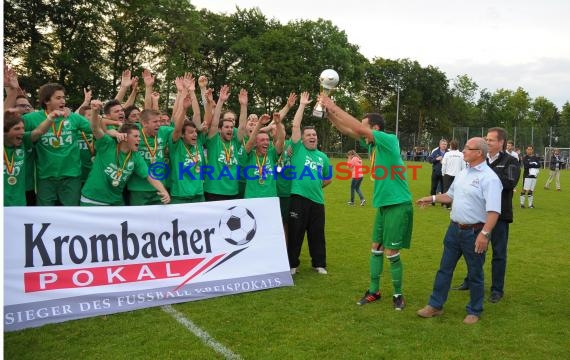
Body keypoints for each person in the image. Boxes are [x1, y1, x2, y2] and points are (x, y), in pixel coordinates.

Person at [320, 95, 413, 310]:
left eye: (365, 126)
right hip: (383, 205)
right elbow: (349, 130)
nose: (361, 131)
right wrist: (329, 115)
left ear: (376, 128)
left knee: (392, 252)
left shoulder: (389, 140)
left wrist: (334, 105)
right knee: (375, 248)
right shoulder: (373, 147)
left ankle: (398, 295)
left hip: (399, 204)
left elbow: (358, 129)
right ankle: (374, 291)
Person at [416, 137, 502, 324]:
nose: (463, 151)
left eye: (467, 148)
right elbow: (450, 195)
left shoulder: (490, 178)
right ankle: (435, 305)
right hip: (454, 230)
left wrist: (484, 234)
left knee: (475, 273)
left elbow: (494, 211)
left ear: (479, 152)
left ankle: (474, 311)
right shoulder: (464, 172)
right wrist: (431, 198)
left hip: (475, 232)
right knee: (444, 270)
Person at [453, 128, 521, 304]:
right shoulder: (479, 161)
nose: (488, 142)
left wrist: (486, 176)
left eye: (491, 140)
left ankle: (497, 290)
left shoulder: (511, 161)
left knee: (499, 253)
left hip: (500, 215)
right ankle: (470, 281)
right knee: (474, 251)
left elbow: (510, 182)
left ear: (501, 142)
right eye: (487, 139)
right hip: (478, 215)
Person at [80, 101, 170, 206]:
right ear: (125, 137)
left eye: (139, 137)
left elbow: (149, 175)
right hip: (93, 200)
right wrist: (95, 111)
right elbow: (95, 128)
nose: (139, 140)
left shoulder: (135, 156)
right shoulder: (107, 144)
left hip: (116, 202)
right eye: (136, 136)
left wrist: (163, 191)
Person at [23, 83, 92, 205]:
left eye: (63, 97)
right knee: (45, 215)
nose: (63, 101)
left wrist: (97, 113)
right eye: (58, 98)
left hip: (71, 176)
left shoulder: (73, 117)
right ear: (46, 100)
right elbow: (10, 128)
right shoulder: (31, 118)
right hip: (45, 177)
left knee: (71, 215)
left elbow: (94, 129)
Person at [287, 92, 332, 275]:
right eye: (309, 135)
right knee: (295, 234)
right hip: (298, 198)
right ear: (303, 138)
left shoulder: (322, 157)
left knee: (317, 234)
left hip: (317, 201)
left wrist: (315, 186)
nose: (312, 137)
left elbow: (328, 178)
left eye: (314, 135)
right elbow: (296, 125)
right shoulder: (297, 149)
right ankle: (292, 265)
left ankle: (318, 264)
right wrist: (303, 105)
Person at [4, 110, 56, 206]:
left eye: (23, 128)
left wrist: (50, 118)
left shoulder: (24, 141)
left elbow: (39, 131)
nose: (22, 132)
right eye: (17, 129)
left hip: (19, 202)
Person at [242, 113, 284, 198]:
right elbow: (250, 142)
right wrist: (259, 124)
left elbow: (281, 140)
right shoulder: (249, 155)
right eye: (262, 140)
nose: (266, 142)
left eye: (267, 140)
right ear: (256, 143)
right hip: (252, 198)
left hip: (270, 198)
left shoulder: (271, 154)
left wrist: (278, 123)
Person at [441, 139, 465, 208]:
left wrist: (443, 173)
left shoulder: (447, 154)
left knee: (446, 190)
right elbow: (463, 166)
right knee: (457, 190)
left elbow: (444, 164)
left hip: (448, 174)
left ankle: (446, 204)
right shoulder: (461, 154)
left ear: (451, 146)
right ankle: (455, 204)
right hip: (458, 175)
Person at [427, 139, 448, 204]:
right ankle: (432, 202)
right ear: (439, 145)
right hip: (436, 172)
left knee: (444, 188)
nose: (444, 145)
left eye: (445, 144)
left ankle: (443, 203)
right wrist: (436, 159)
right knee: (433, 187)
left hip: (445, 173)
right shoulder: (435, 152)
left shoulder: (449, 153)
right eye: (443, 144)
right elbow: (430, 160)